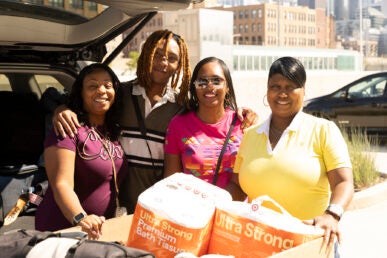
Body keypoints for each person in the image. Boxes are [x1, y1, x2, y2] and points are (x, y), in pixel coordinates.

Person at [52, 30, 257, 214]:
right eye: (157, 54)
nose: (163, 62)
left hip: (158, 209)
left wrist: (243, 113)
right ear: (146, 54)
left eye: (172, 58)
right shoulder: (119, 94)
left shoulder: (181, 106)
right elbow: (87, 104)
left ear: (178, 66)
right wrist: (62, 109)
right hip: (116, 206)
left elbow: (213, 111)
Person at [232, 57, 354, 254]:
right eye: (275, 86)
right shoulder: (250, 135)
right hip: (257, 245)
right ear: (267, 90)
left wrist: (332, 215)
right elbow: (237, 185)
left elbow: (343, 182)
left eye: (291, 86)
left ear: (304, 90)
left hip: (310, 244)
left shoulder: (323, 131)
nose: (282, 93)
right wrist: (213, 203)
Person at [35, 63, 127, 239]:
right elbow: (61, 184)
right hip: (65, 231)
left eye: (108, 86)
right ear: (80, 93)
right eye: (92, 86)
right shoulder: (67, 128)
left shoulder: (112, 130)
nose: (102, 91)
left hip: (99, 231)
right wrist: (80, 217)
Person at [164, 57, 246, 201]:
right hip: (193, 214)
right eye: (202, 81)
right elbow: (171, 181)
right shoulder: (178, 125)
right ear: (194, 87)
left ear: (227, 87)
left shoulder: (242, 125)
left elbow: (245, 183)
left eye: (216, 81)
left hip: (231, 215)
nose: (209, 86)